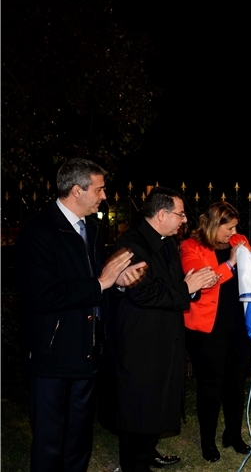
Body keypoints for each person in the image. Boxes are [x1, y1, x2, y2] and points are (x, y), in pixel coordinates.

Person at [16, 158, 146, 472]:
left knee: (78, 439)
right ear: (77, 190)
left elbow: (97, 282)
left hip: (87, 354)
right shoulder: (38, 231)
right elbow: (43, 295)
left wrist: (118, 282)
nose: (104, 196)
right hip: (52, 356)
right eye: (99, 189)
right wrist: (101, 282)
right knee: (50, 442)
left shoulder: (90, 226)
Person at [107, 187, 219, 472]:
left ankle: (149, 451)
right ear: (161, 214)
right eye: (180, 214)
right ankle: (135, 464)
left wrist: (192, 287)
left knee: (158, 402)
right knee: (139, 406)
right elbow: (143, 293)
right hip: (141, 342)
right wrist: (186, 288)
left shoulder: (167, 242)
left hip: (165, 339)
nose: (184, 220)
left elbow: (174, 286)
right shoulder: (131, 243)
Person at [180, 202, 251, 462]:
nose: (234, 232)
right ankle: (207, 441)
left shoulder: (239, 241)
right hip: (207, 328)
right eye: (230, 227)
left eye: (236, 226)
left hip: (238, 325)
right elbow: (203, 281)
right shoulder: (190, 247)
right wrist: (232, 263)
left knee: (236, 384)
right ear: (214, 224)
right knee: (210, 386)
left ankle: (233, 435)